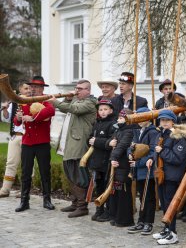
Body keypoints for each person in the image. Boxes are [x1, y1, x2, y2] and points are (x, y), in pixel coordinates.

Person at [49, 79, 97, 218]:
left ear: (88, 90)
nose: (77, 91)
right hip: (69, 143)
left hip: (78, 144)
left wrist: (55, 101)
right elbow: (67, 106)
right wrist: (67, 98)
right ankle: (75, 202)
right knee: (69, 172)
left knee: (78, 175)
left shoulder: (89, 102)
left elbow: (73, 109)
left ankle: (82, 206)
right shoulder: (77, 100)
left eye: (80, 89)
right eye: (76, 88)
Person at [148, 109, 186, 245]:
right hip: (161, 174)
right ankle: (166, 229)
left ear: (173, 121)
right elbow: (156, 152)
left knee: (170, 204)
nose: (164, 122)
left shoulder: (177, 136)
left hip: (172, 175)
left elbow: (178, 158)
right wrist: (152, 159)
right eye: (162, 120)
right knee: (164, 204)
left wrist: (163, 151)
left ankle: (173, 233)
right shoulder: (160, 134)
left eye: (167, 120)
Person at [14, 76, 55, 212]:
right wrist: (18, 118)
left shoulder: (46, 100)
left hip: (42, 142)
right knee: (25, 173)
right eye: (32, 87)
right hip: (27, 142)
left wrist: (33, 118)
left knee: (45, 172)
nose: (33, 89)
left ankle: (47, 200)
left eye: (37, 87)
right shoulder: (25, 101)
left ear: (42, 89)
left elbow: (50, 111)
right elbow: (17, 121)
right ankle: (24, 201)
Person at [127, 107, 158, 235]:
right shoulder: (137, 131)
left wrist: (138, 163)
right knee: (142, 197)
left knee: (149, 197)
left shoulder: (153, 132)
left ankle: (148, 223)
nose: (139, 121)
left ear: (148, 118)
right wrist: (129, 154)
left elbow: (152, 152)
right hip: (137, 171)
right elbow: (131, 146)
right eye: (137, 118)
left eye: (141, 118)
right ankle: (140, 221)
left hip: (147, 171)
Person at [0, 81, 31, 197]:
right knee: (11, 163)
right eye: (26, 88)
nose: (28, 91)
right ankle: (5, 189)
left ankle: (24, 190)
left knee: (27, 165)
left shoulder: (32, 103)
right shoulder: (13, 104)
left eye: (29, 89)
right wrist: (4, 109)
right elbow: (6, 119)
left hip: (28, 138)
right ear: (19, 91)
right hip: (15, 136)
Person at [87, 100, 116, 222]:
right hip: (96, 161)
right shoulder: (97, 123)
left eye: (105, 109)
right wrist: (90, 141)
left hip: (107, 161)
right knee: (98, 186)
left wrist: (96, 141)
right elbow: (90, 138)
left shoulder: (113, 124)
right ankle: (100, 209)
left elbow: (112, 142)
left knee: (107, 187)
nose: (103, 112)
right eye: (100, 110)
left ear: (111, 110)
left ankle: (109, 211)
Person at [108, 109, 134, 227]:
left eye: (122, 118)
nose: (119, 119)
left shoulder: (128, 131)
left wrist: (113, 157)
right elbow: (113, 142)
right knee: (116, 191)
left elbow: (122, 146)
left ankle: (124, 219)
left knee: (123, 192)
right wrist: (110, 142)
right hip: (117, 165)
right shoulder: (118, 130)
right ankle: (116, 216)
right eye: (118, 117)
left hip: (123, 165)